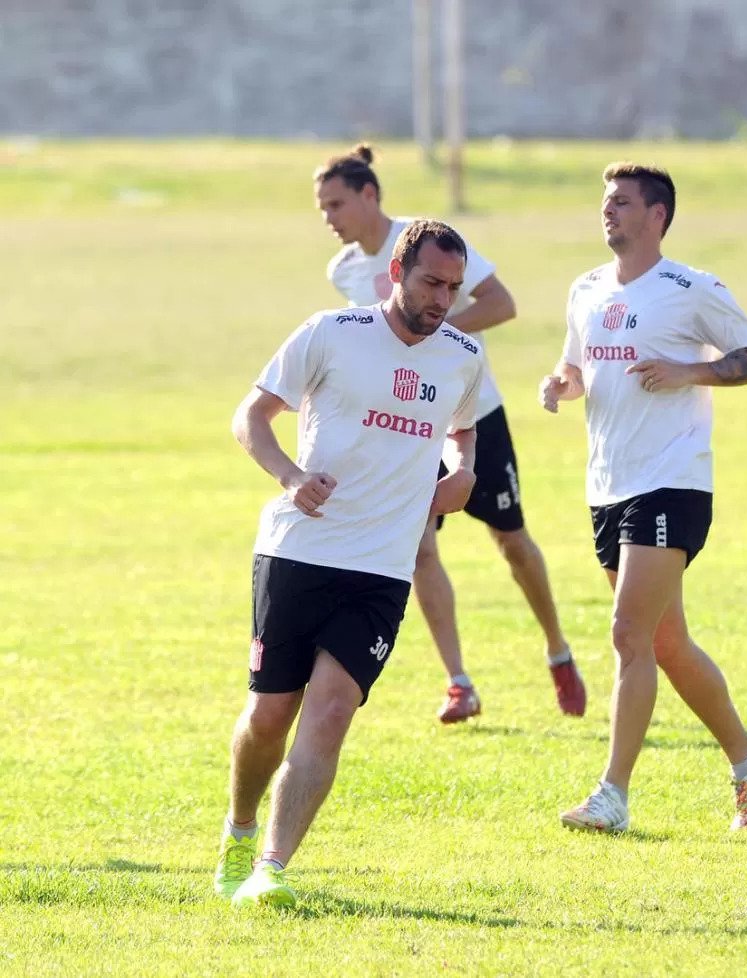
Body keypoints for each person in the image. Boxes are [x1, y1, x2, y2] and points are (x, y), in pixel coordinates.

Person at [215, 220, 485, 909]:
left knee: (332, 710)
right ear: (396, 272)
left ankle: (271, 868)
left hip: (383, 569)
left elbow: (463, 436)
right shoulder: (330, 331)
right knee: (271, 715)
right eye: (431, 283)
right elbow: (252, 415)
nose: (442, 299)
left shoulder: (461, 354)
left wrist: (461, 474)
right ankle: (240, 829)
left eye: (453, 287)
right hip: (298, 551)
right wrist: (289, 476)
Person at [539, 162, 747, 833]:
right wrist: (562, 383)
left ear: (658, 216)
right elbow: (579, 365)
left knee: (627, 634)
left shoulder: (690, 288)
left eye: (621, 202)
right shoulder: (585, 290)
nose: (607, 211)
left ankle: (612, 795)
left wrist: (691, 370)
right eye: (604, 201)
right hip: (607, 483)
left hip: (672, 480)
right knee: (667, 642)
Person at [314, 144, 585, 724]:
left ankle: (558, 650)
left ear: (369, 194)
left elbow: (501, 302)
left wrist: (436, 332)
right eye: (321, 208)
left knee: (511, 541)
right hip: (405, 430)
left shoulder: (424, 239)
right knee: (420, 549)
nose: (329, 218)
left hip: (472, 413)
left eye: (337, 203)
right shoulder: (344, 272)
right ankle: (459, 682)